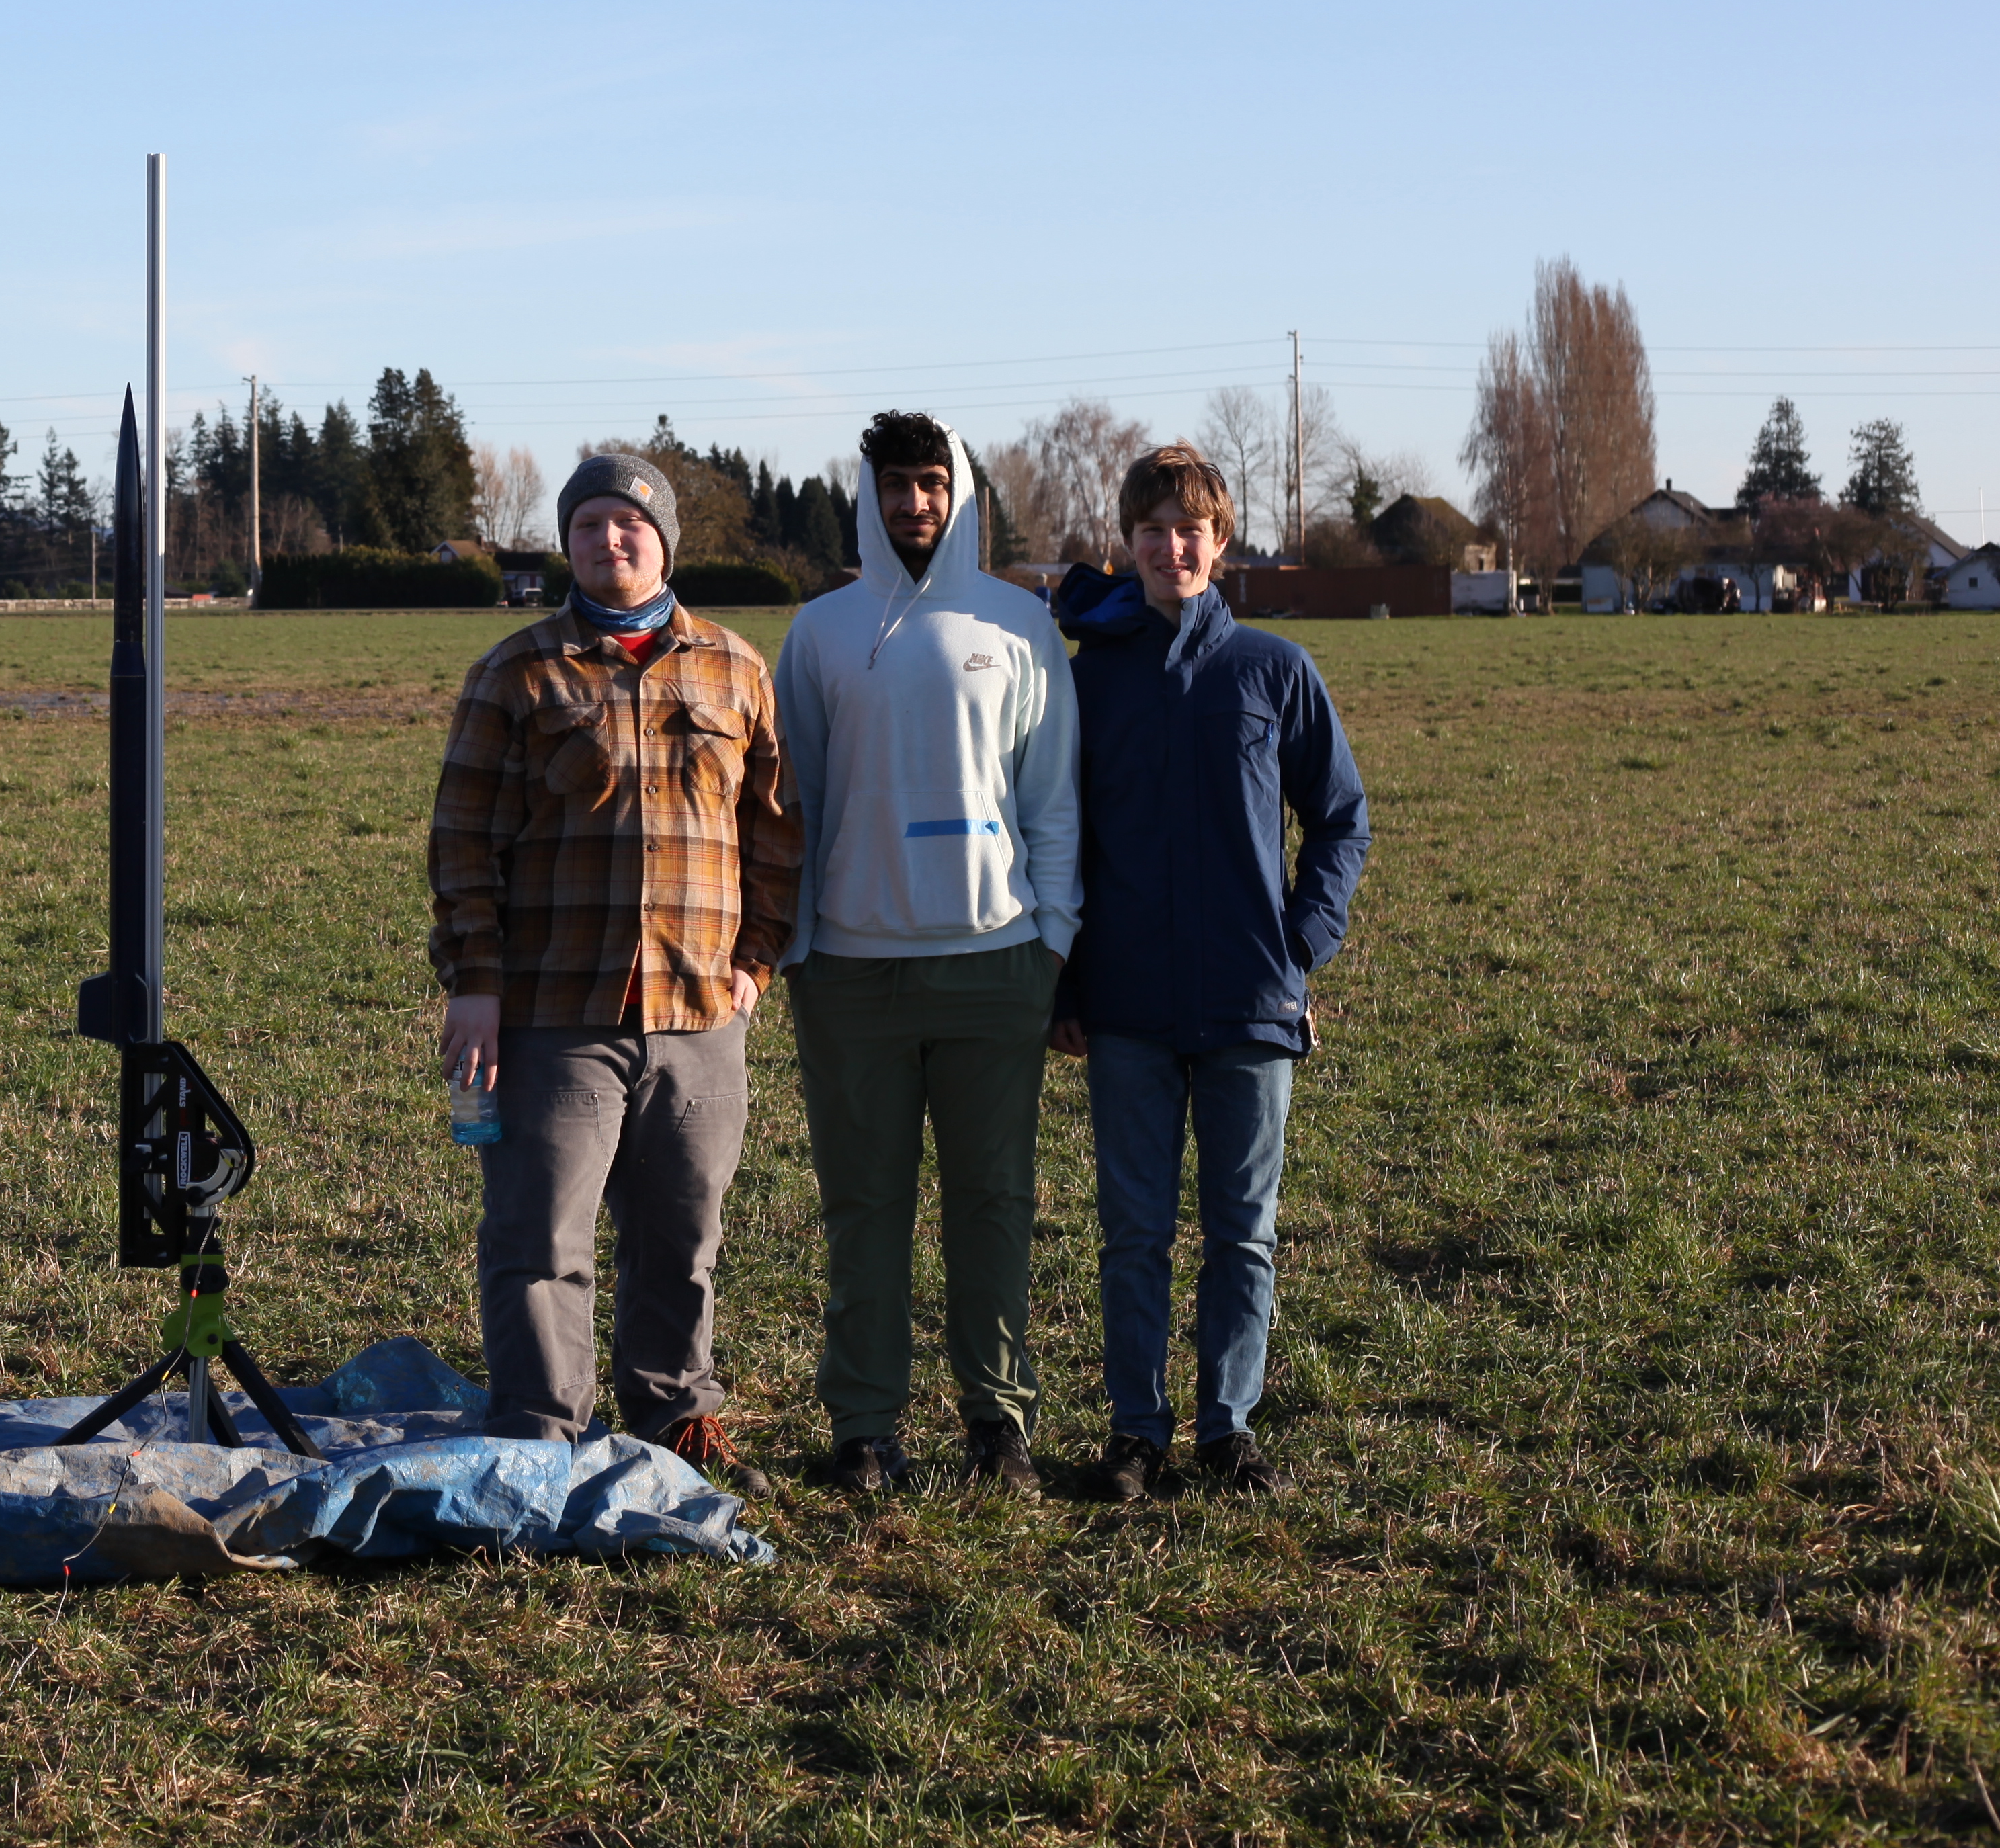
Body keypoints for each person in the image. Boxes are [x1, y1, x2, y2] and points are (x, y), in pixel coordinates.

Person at [429, 450, 802, 1470]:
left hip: (701, 1007)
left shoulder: (735, 668)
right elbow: (462, 839)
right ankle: (541, 1433)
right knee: (541, 1238)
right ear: (568, 544)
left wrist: (757, 961)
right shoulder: (518, 671)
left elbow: (776, 832)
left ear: (665, 541)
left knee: (683, 1234)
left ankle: (674, 1412)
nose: (609, 540)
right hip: (555, 1008)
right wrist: (475, 982)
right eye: (588, 525)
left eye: (629, 523)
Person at [1049, 444, 1370, 1498]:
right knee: (1133, 1233)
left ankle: (1228, 1430)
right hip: (1126, 1003)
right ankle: (1136, 1434)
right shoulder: (1088, 682)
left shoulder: (1275, 671)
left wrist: (1302, 942)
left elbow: (1341, 817)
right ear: (1128, 544)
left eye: (1190, 530)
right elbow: (1056, 838)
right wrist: (1065, 985)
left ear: (1220, 542)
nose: (1171, 548)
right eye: (1152, 531)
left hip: (1249, 1000)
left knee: (1244, 1233)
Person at [772, 413, 1079, 1493]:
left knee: (993, 1204)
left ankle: (999, 1426)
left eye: (932, 483)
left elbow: (1052, 798)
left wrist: (1051, 940)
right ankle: (864, 1427)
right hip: (851, 976)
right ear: (870, 493)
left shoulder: (1019, 624)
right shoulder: (820, 633)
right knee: (865, 1211)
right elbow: (795, 801)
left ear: (960, 492)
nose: (915, 504)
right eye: (896, 484)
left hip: (996, 967)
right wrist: (799, 946)